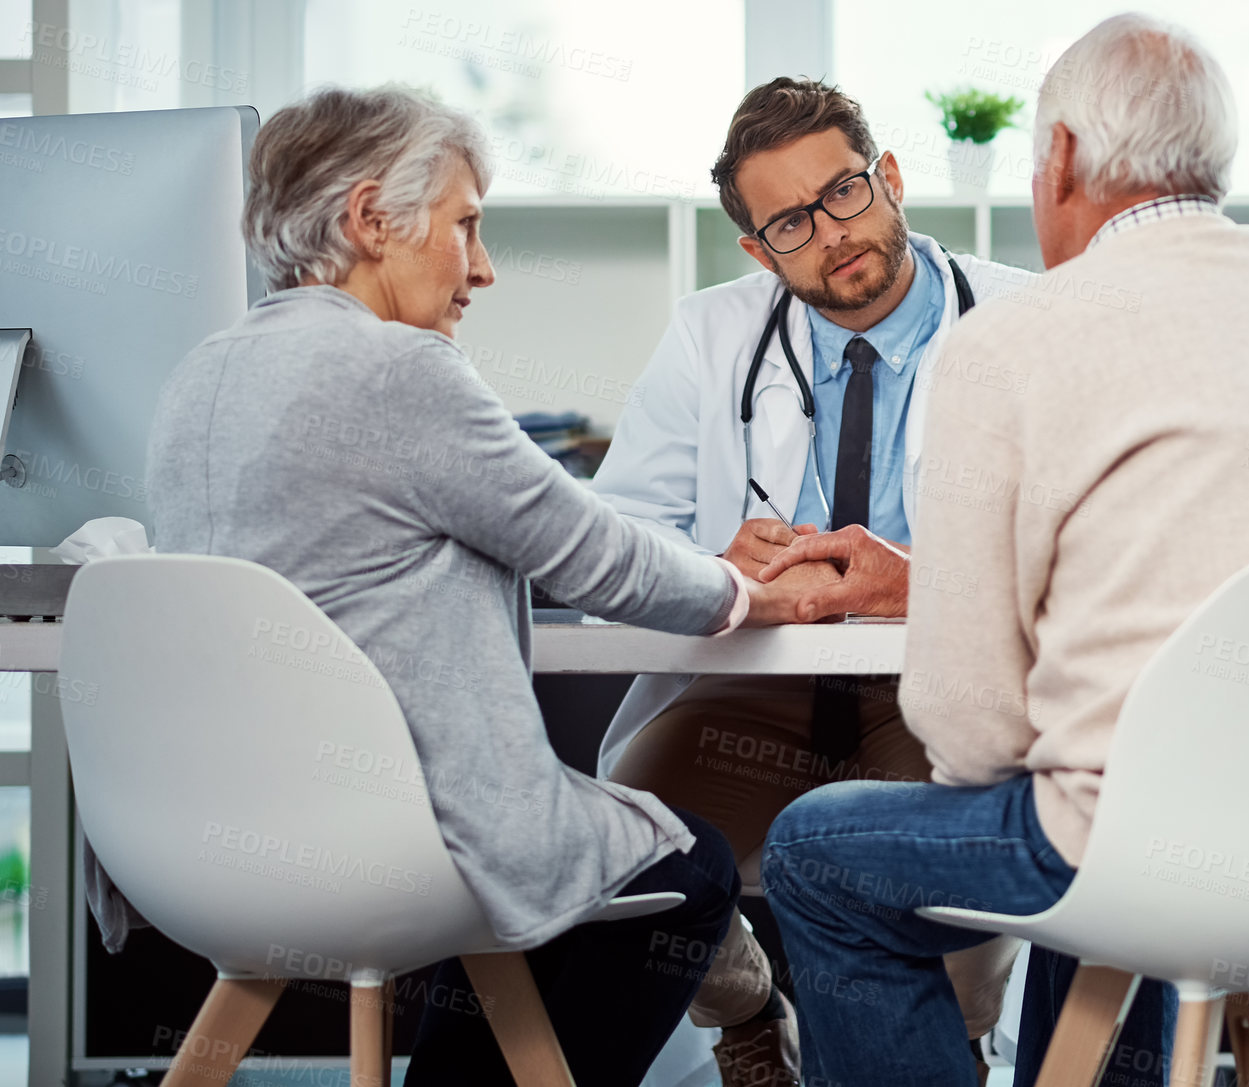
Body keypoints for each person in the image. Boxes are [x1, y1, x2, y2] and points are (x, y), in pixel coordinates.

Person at [756, 13, 1249, 1086]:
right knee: (1124, 805)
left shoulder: (1013, 337)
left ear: (1063, 160)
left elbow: (968, 729)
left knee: (816, 852)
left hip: (1159, 851)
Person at [142, 85, 808, 1087]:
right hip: (390, 842)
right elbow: (595, 557)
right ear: (370, 219)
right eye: (466, 226)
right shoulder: (399, 370)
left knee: (535, 871)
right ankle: (751, 1024)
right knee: (687, 866)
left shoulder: (197, 377)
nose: (483, 268)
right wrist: (746, 589)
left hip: (218, 844)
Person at [585, 78, 1031, 1084]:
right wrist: (703, 565)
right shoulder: (710, 335)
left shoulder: (1022, 322)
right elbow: (611, 537)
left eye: (842, 193)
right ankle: (745, 1012)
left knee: (955, 848)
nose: (831, 233)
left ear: (890, 178)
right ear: (757, 249)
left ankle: (947, 1039)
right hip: (752, 690)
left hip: (939, 689)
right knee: (618, 849)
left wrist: (916, 580)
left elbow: (1081, 551)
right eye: (790, 221)